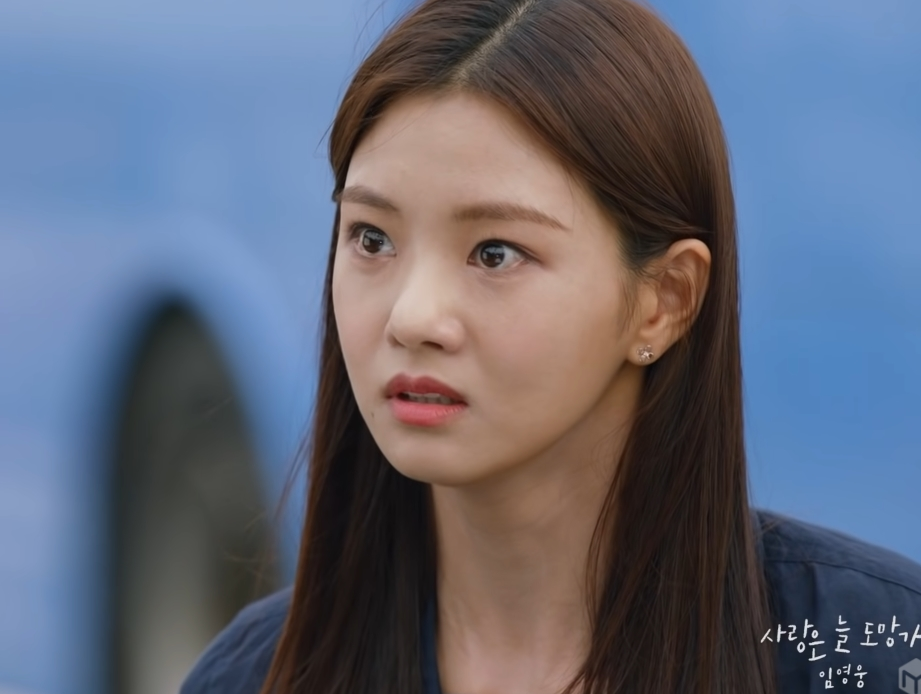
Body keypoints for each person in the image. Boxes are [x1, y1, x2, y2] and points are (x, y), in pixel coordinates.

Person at [179, 0, 921, 692]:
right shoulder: (255, 675)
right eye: (372, 239)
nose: (412, 316)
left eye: (495, 253)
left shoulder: (865, 649)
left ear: (664, 301)